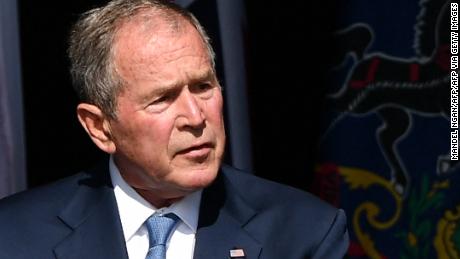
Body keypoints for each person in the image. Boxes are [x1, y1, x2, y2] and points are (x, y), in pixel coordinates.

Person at [0, 0, 349, 258]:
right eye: (163, 99)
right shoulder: (14, 236)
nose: (196, 117)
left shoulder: (304, 232)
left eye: (202, 87)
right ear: (99, 127)